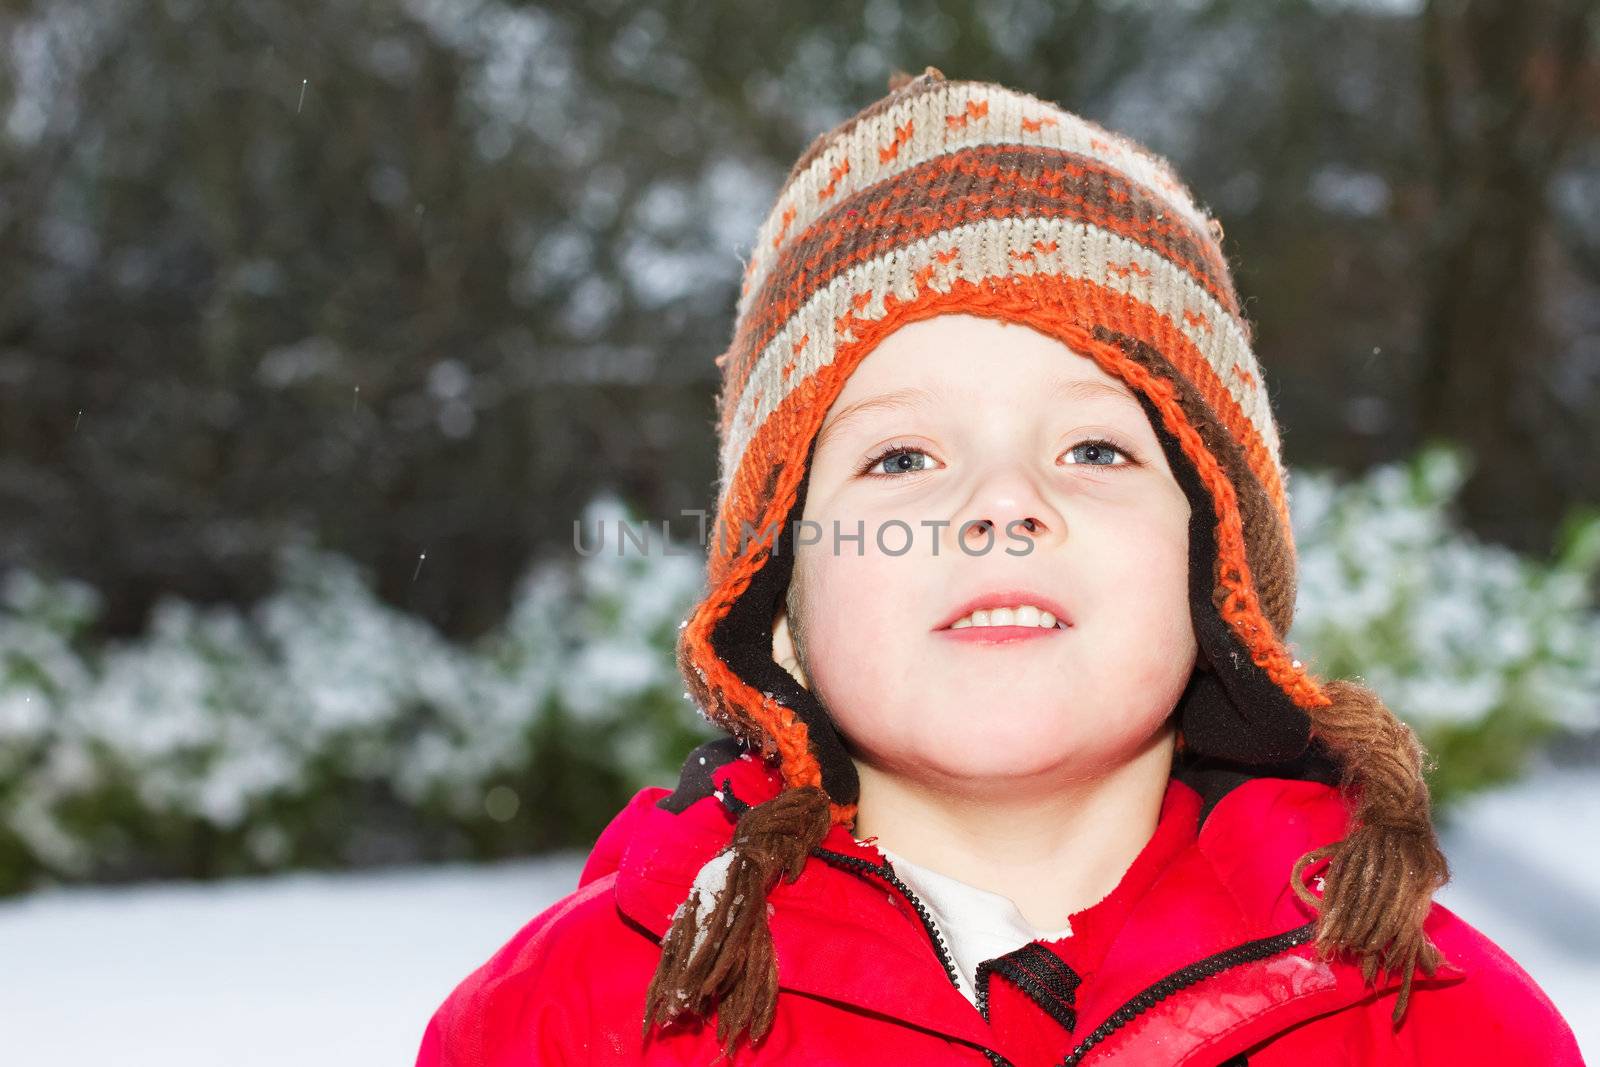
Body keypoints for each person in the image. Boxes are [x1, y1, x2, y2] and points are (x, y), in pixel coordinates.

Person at [414, 67, 1582, 1066]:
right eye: (901, 455)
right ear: (777, 599)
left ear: (1212, 562)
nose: (1002, 505)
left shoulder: (1432, 1023)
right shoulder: (572, 1021)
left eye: (1093, 446)